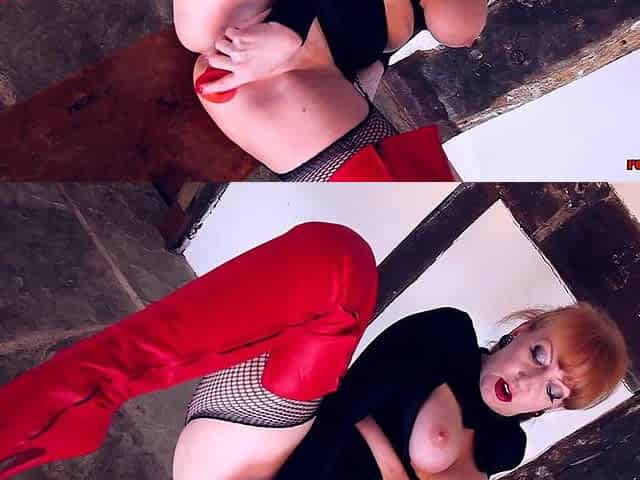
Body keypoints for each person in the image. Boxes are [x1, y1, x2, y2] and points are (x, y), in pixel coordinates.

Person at [0, 223, 628, 480]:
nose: (529, 383)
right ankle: (73, 395)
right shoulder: (449, 336)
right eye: (540, 355)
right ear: (524, 330)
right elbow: (343, 407)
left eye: (554, 390)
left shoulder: (506, 447)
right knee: (339, 264)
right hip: (270, 455)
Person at [172, 0, 485, 180]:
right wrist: (289, 25)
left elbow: (459, 27)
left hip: (305, 67)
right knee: (203, 28)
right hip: (267, 35)